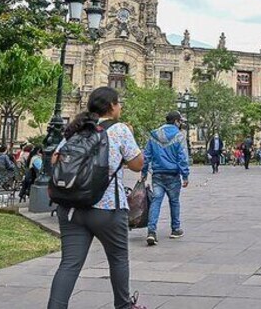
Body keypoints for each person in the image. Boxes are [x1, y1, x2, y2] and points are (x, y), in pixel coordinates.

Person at [47, 86, 146, 309]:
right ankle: (123, 306)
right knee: (118, 259)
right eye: (119, 103)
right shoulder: (120, 130)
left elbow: (55, 159)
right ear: (111, 106)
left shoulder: (79, 128)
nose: (120, 106)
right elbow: (137, 164)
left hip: (71, 208)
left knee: (69, 263)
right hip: (107, 208)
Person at [142, 111, 190, 246]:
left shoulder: (154, 135)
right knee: (174, 201)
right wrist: (185, 175)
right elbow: (182, 157)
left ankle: (151, 231)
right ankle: (175, 229)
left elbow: (146, 156)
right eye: (180, 121)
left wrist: (144, 172)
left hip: (157, 174)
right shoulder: (179, 136)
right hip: (173, 175)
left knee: (156, 201)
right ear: (176, 121)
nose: (180, 123)